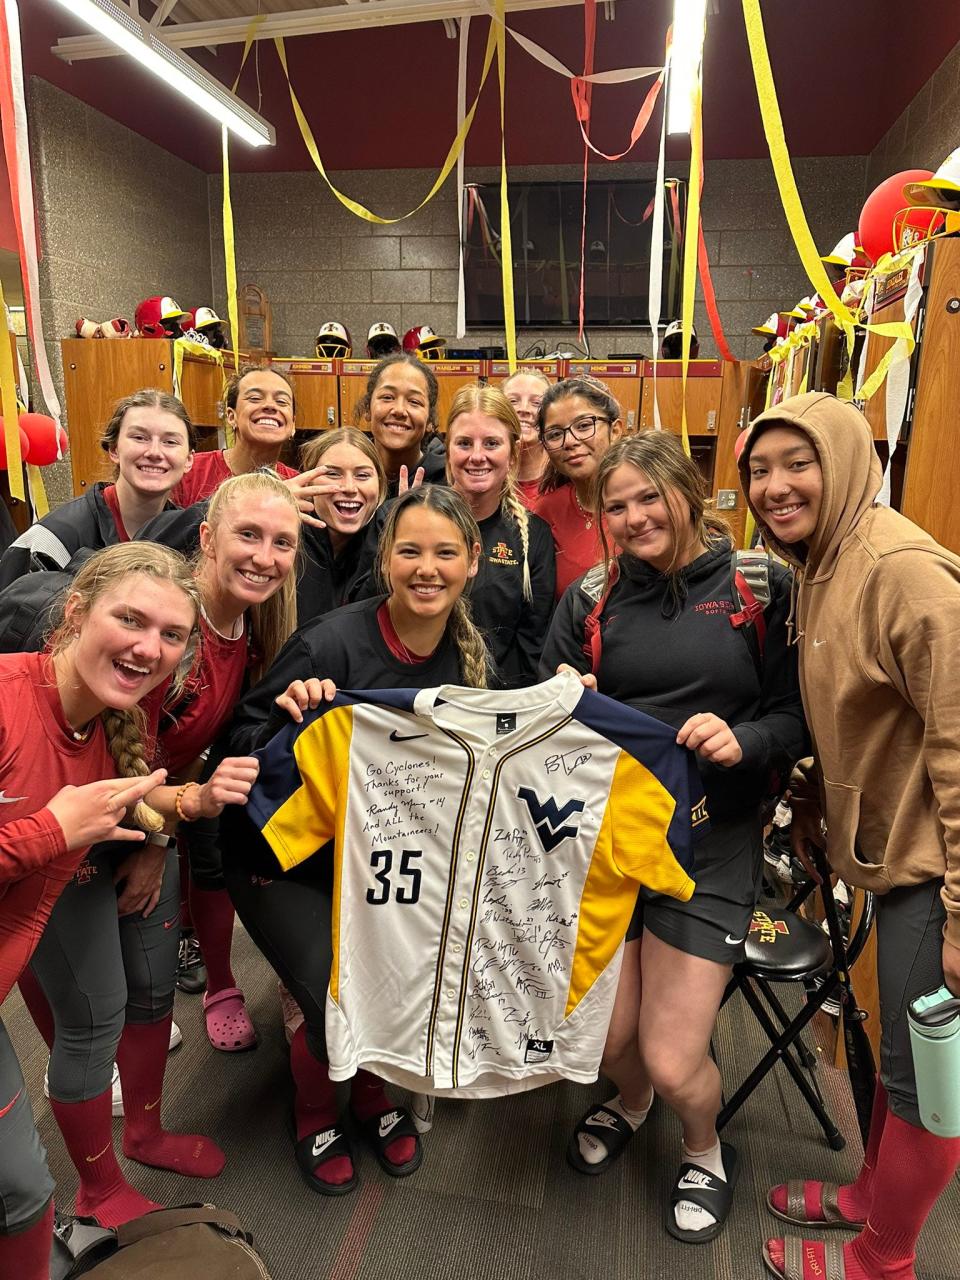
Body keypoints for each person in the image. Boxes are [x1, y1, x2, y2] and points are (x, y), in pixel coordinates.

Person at [541, 431, 806, 1243]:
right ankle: (630, 1105)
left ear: (686, 492)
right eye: (614, 506)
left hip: (713, 843)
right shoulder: (590, 597)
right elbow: (543, 711)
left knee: (670, 1054)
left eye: (647, 498)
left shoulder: (762, 584)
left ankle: (703, 1146)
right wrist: (562, 696)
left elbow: (797, 717)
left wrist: (746, 741)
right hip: (610, 844)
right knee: (606, 1043)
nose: (631, 518)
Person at [17, 473, 297, 1226]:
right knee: (93, 1011)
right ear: (205, 535)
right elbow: (103, 753)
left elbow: (175, 759)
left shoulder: (253, 631)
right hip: (69, 838)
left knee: (145, 992)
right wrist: (141, 833)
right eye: (248, 534)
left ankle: (142, 1129)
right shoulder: (163, 628)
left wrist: (160, 834)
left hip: (145, 818)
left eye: (282, 542)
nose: (264, 556)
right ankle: (96, 1183)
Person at [740, 392, 960, 1280]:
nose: (775, 486)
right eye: (760, 468)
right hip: (889, 857)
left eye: (801, 463)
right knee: (902, 1059)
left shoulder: (901, 569)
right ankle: (873, 1197)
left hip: (934, 870)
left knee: (929, 1089)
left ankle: (886, 1260)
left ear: (845, 463)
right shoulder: (821, 563)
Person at [223, 485, 487, 1195]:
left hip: (383, 859)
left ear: (473, 562)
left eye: (444, 552)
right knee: (335, 993)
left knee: (399, 980)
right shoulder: (329, 641)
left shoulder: (471, 658)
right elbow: (239, 746)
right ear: (384, 558)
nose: (426, 567)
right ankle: (314, 1115)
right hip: (283, 860)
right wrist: (290, 720)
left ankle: (371, 1100)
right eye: (409, 550)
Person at [0, 543, 200, 1280]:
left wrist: (187, 803)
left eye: (172, 635)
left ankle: (98, 1186)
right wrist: (54, 830)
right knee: (19, 1191)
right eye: (130, 619)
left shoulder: (117, 716)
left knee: (21, 1188)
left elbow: (134, 795)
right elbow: (56, 819)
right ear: (77, 612)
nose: (150, 647)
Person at [0, 389, 196, 590]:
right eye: (139, 437)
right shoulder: (52, 541)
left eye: (170, 442)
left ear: (189, 460)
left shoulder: (192, 540)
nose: (155, 452)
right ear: (114, 449)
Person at [442, 384, 555, 684]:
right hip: (418, 698)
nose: (477, 456)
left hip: (497, 702)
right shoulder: (416, 519)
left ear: (513, 453)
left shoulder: (535, 537)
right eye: (464, 443)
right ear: (447, 448)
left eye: (491, 443)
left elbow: (531, 645)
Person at [531, 376, 623, 598]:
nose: (570, 441)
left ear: (616, 430)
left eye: (583, 426)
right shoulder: (546, 511)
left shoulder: (647, 504)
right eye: (555, 434)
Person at [171, 364, 299, 507]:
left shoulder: (299, 485)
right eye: (255, 398)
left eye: (281, 401)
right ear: (231, 416)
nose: (270, 405)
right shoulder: (188, 472)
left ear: (293, 424)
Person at [295, 427, 386, 625]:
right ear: (308, 482)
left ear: (380, 485)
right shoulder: (284, 540)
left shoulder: (387, 543)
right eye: (333, 474)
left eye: (362, 476)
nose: (349, 488)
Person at [354, 353, 447, 499]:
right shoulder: (344, 479)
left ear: (430, 420)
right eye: (387, 397)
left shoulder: (449, 485)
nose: (399, 410)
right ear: (367, 409)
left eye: (414, 401)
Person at [501, 368, 551, 508]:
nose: (524, 409)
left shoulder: (564, 477)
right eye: (513, 401)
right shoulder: (484, 476)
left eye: (536, 403)